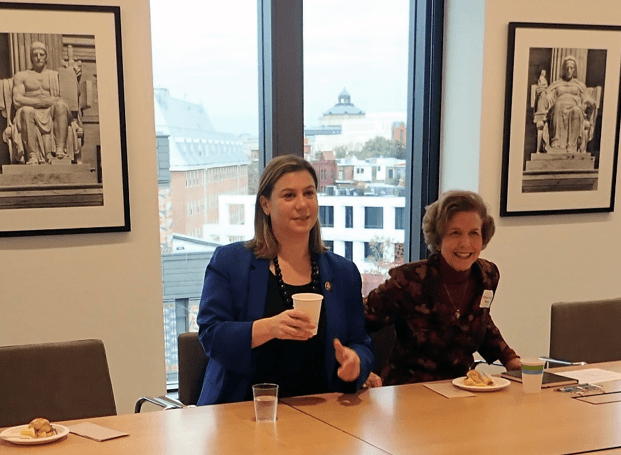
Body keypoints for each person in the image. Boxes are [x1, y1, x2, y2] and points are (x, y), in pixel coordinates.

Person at [196, 154, 374, 405]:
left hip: (324, 413)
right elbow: (211, 335)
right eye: (289, 195)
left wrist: (356, 363)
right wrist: (270, 328)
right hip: (243, 411)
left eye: (309, 193)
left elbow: (361, 343)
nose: (302, 204)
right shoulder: (231, 262)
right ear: (266, 205)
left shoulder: (343, 272)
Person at [364, 190, 521, 387]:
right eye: (455, 233)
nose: (466, 243)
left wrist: (509, 358)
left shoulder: (487, 276)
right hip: (409, 393)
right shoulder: (409, 280)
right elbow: (359, 320)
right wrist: (362, 368)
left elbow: (480, 320)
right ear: (438, 240)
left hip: (463, 388)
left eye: (474, 233)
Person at [12, 42, 73, 164]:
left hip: (51, 112)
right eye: (35, 55)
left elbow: (70, 97)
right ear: (31, 58)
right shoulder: (21, 76)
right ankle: (32, 154)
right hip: (31, 111)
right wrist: (44, 102)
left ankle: (60, 150)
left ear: (46, 57)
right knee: (26, 110)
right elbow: (17, 100)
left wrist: (74, 76)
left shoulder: (55, 75)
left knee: (61, 106)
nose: (38, 57)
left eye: (41, 54)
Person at [536, 55, 595, 154]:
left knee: (576, 111)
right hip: (558, 108)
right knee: (558, 105)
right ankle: (556, 141)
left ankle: (572, 145)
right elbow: (548, 97)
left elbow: (586, 98)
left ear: (574, 70)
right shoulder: (556, 84)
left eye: (571, 68)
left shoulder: (580, 85)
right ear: (564, 69)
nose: (569, 70)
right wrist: (542, 93)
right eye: (567, 68)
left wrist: (590, 102)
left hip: (575, 107)